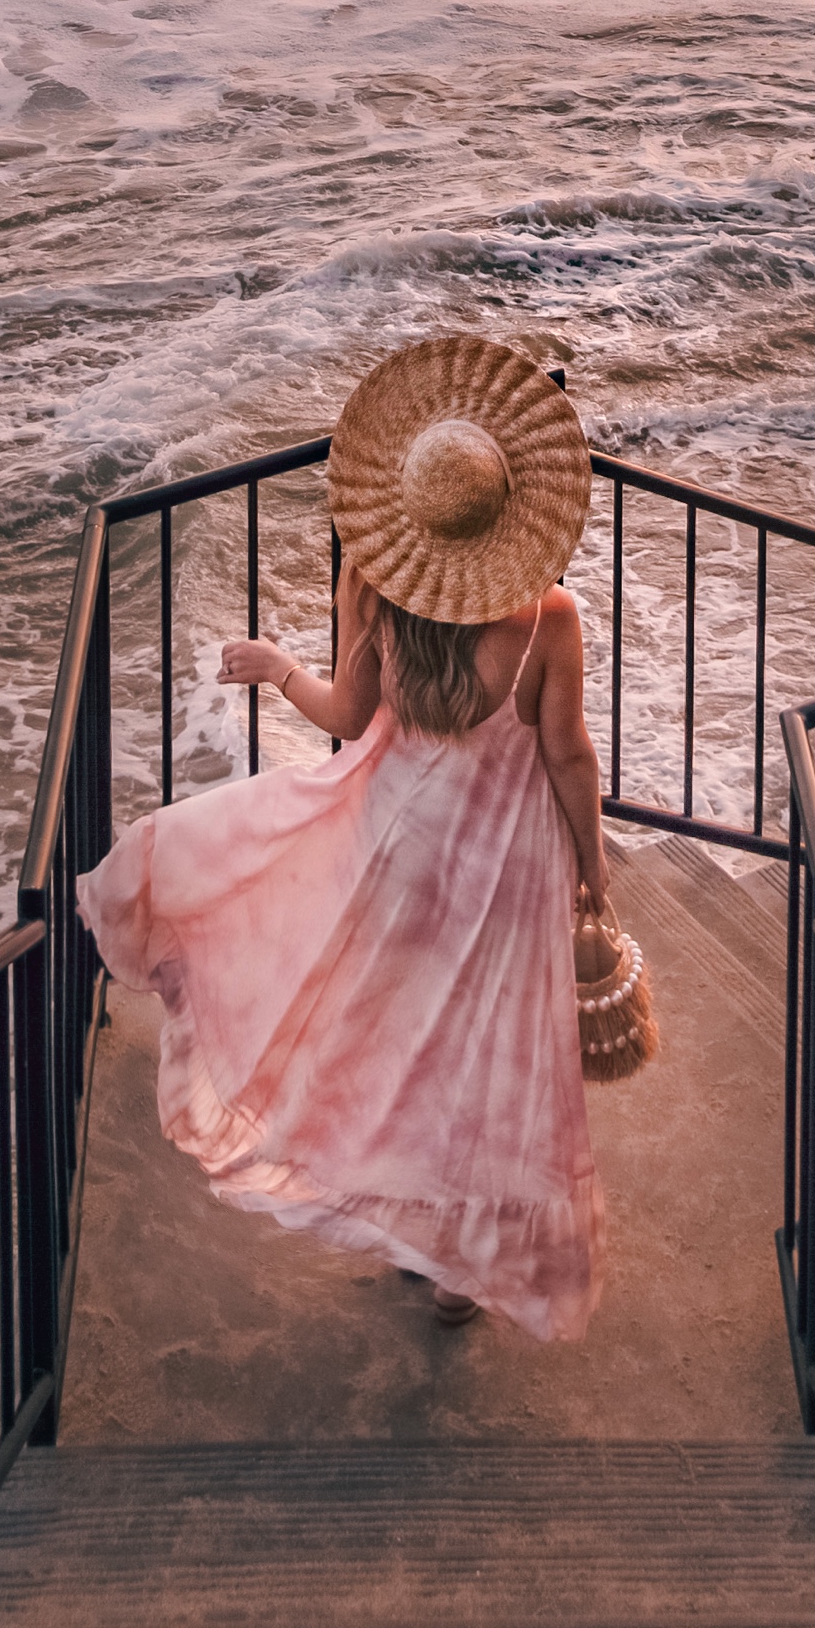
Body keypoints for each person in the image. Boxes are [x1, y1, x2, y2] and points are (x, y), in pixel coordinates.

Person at [75, 336, 614, 1339]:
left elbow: (343, 710)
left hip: (399, 846)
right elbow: (569, 758)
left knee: (402, 1034)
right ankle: (462, 1266)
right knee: (477, 1049)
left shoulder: (375, 586)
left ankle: (406, 1220)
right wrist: (592, 870)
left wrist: (278, 665)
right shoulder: (550, 618)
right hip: (499, 864)